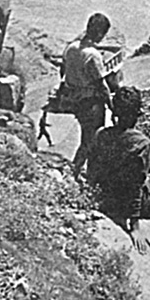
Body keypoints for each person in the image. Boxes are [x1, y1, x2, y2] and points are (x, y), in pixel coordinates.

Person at [87, 86, 150, 253]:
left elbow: (92, 171)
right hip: (122, 202)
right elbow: (134, 186)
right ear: (137, 114)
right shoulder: (142, 144)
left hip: (102, 196)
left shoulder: (101, 134)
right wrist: (134, 226)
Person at [60, 12, 118, 178]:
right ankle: (75, 171)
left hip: (75, 99)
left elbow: (63, 71)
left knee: (86, 137)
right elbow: (101, 85)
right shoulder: (93, 55)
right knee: (91, 140)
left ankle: (79, 171)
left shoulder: (71, 48)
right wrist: (112, 106)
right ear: (99, 33)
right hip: (91, 102)